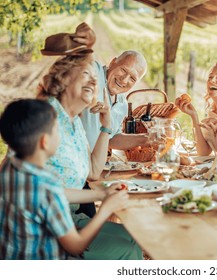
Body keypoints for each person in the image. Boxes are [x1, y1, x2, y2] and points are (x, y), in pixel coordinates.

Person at [37, 54, 143, 259]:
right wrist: (104, 207)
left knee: (133, 237)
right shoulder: (46, 118)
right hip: (45, 230)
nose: (93, 85)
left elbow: (94, 172)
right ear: (65, 81)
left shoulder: (75, 123)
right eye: (85, 77)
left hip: (70, 216)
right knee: (127, 250)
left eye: (95, 81)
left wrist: (106, 125)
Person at [0, 99, 130, 259]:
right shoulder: (46, 185)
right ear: (44, 141)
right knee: (127, 247)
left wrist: (102, 194)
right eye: (57, 130)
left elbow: (59, 193)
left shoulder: (11, 166)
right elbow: (76, 246)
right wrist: (106, 210)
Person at [74, 22, 149, 152]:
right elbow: (81, 63)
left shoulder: (122, 103)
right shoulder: (95, 73)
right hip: (71, 158)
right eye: (123, 70)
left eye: (132, 78)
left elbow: (111, 138)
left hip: (92, 165)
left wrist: (146, 138)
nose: (124, 80)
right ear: (113, 62)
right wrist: (85, 46)